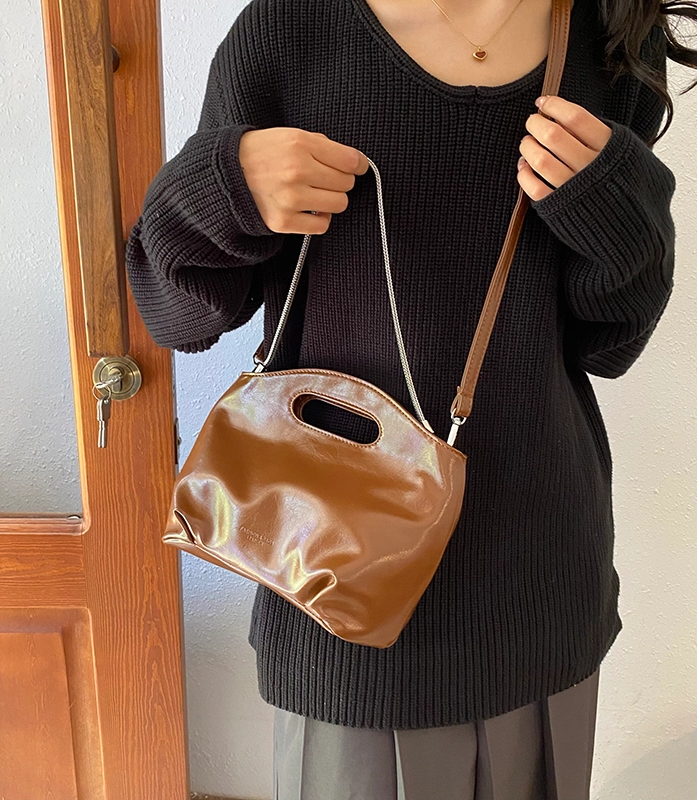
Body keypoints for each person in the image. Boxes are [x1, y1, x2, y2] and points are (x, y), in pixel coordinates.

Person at [125, 0, 695, 797]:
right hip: (335, 586)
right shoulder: (289, 30)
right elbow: (178, 316)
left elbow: (610, 343)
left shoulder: (610, 34)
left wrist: (617, 207)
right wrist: (227, 185)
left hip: (535, 579)